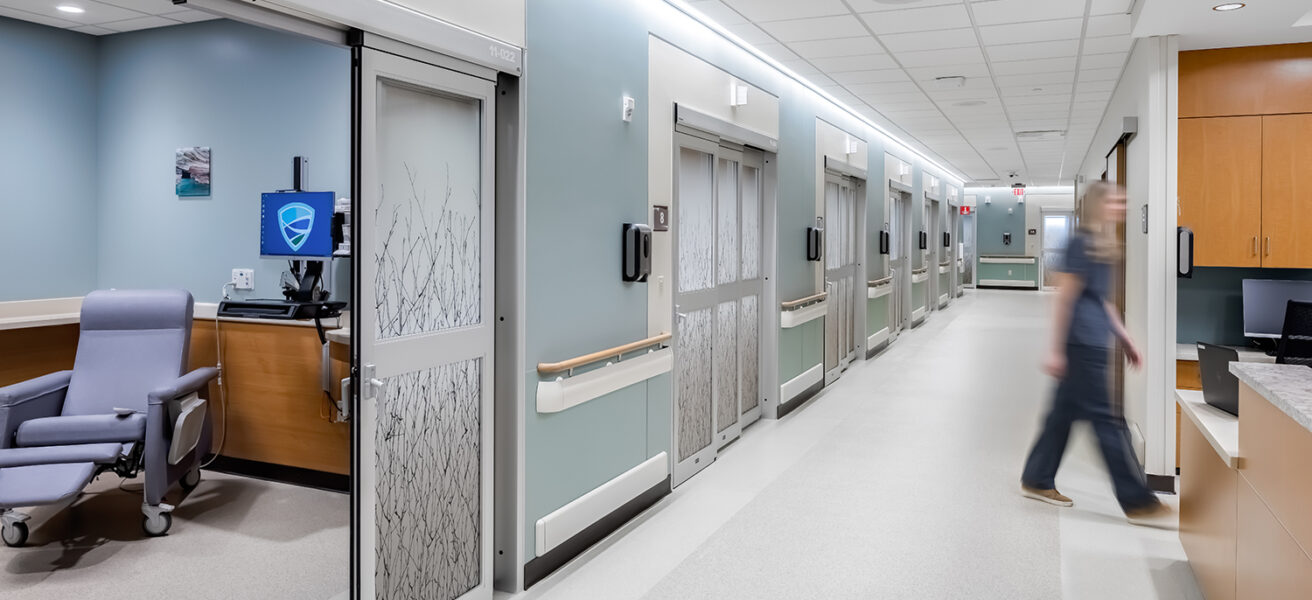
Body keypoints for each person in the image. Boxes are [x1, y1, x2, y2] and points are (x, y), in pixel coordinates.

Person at [1019, 181, 1168, 522]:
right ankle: (1138, 501)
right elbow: (1065, 297)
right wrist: (1056, 350)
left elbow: (1100, 301)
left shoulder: (1104, 246)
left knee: (1061, 416)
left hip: (1094, 342)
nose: (1121, 206)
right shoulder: (1080, 244)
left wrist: (1125, 337)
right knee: (1108, 422)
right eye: (1115, 201)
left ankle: (1037, 478)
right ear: (1099, 205)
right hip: (1081, 345)